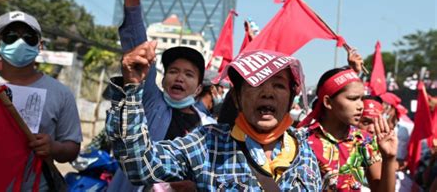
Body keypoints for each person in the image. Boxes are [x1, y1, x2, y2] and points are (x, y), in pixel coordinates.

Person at [106, 49, 322, 190]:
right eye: (256, 85)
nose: (268, 93)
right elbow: (140, 165)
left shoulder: (306, 152)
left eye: (278, 85)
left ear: (291, 98)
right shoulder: (206, 143)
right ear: (236, 98)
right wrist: (132, 86)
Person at [106, 0, 215, 192]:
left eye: (189, 74)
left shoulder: (211, 130)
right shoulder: (150, 103)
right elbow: (139, 53)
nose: (179, 78)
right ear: (163, 79)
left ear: (197, 88)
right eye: (174, 71)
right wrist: (132, 4)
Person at [0, 11, 82, 190]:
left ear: (39, 46)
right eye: (10, 37)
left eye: (29, 37)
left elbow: (72, 148)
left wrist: (53, 147)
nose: (20, 43)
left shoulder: (61, 94)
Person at [297, 55, 398, 191]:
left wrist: (389, 158)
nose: (360, 106)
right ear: (328, 102)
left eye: (361, 98)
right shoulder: (300, 140)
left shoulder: (365, 141)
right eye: (353, 98)